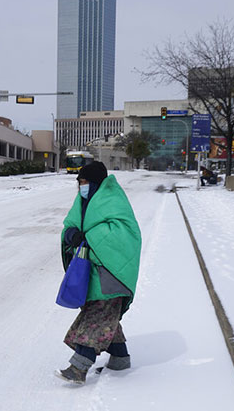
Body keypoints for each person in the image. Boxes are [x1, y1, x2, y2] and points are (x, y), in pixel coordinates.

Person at [56, 161, 142, 385]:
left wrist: (87, 238)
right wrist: (71, 234)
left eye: (84, 182)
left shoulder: (113, 200)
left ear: (95, 183)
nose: (80, 186)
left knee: (97, 317)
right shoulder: (83, 201)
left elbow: (122, 234)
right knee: (106, 317)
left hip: (112, 273)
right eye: (79, 182)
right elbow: (71, 225)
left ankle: (78, 367)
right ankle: (120, 358)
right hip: (92, 273)